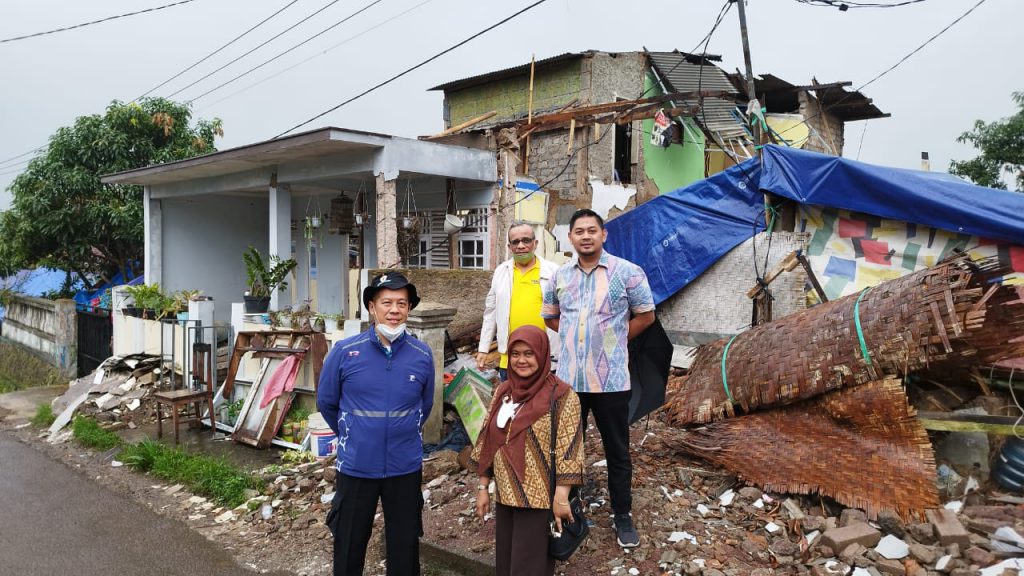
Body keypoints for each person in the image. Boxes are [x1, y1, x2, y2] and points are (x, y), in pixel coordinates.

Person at [541, 208, 656, 549]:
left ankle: (622, 515)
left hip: (611, 381)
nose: (586, 236)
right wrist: (576, 336)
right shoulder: (559, 276)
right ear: (570, 238)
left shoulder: (628, 272)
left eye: (592, 230)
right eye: (579, 231)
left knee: (617, 450)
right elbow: (550, 317)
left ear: (603, 234)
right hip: (569, 381)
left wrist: (613, 341)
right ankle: (568, 507)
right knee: (566, 447)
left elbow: (646, 316)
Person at [317, 272, 435, 576]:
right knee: (349, 543)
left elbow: (425, 406)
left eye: (401, 303)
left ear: (409, 308)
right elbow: (327, 402)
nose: (394, 310)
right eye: (387, 303)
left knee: (405, 547)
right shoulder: (345, 352)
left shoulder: (422, 354)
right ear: (372, 307)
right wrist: (355, 434)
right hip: (357, 466)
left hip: (404, 467)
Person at [471, 325, 583, 576]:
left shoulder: (562, 396)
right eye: (515, 354)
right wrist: (483, 487)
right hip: (505, 496)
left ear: (542, 354)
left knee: (529, 568)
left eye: (529, 353)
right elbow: (487, 440)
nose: (521, 360)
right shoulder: (504, 391)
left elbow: (570, 449)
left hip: (538, 501)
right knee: (506, 565)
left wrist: (561, 497)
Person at [477, 221, 560, 380]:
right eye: (515, 242)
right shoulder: (501, 272)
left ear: (535, 243)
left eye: (526, 240)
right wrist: (483, 348)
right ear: (509, 247)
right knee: (510, 396)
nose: (521, 246)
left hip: (545, 357)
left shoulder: (553, 271)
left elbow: (565, 313)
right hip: (511, 359)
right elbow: (490, 313)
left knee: (546, 396)